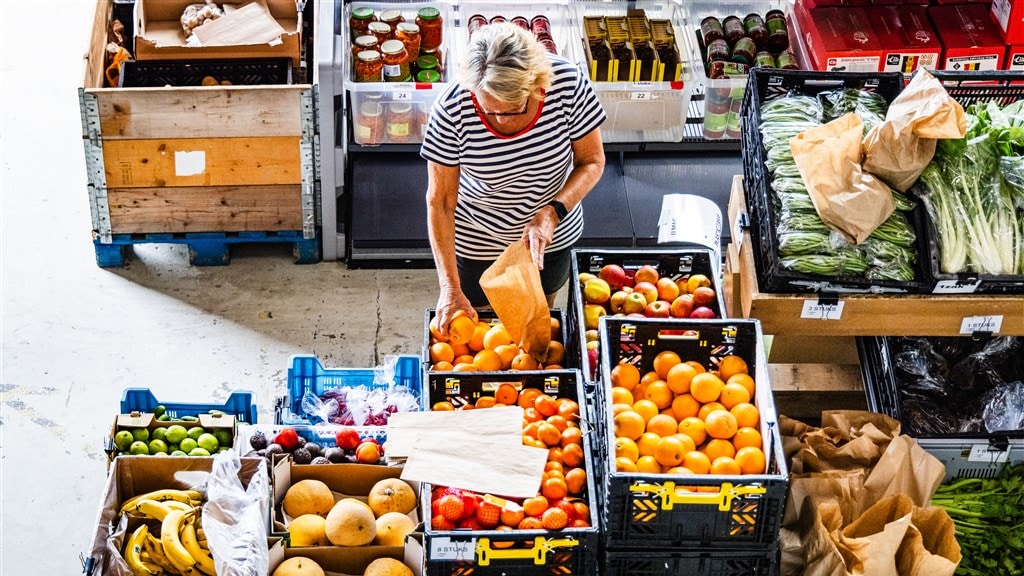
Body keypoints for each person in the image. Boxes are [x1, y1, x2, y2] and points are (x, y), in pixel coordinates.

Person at [421, 22, 607, 336]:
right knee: (480, 338)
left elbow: (592, 162)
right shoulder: (453, 106)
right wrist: (449, 287)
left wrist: (551, 213)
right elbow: (440, 201)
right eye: (487, 110)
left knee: (536, 326)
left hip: (549, 240)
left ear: (537, 85)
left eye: (511, 110)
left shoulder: (568, 85)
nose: (499, 120)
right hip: (477, 241)